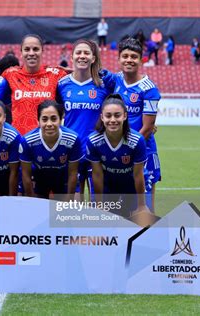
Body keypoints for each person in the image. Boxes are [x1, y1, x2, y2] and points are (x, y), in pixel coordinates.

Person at [110, 38, 162, 211]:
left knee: (145, 209)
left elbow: (147, 127)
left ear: (141, 60)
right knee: (122, 208)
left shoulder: (149, 89)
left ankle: (148, 236)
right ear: (119, 59)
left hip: (142, 152)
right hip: (119, 151)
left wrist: (128, 149)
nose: (129, 60)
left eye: (134, 56)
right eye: (125, 56)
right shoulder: (115, 80)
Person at [56, 39, 112, 196]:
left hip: (97, 150)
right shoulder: (62, 84)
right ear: (72, 56)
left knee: (98, 203)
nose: (82, 56)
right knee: (74, 203)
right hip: (71, 150)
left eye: (86, 53)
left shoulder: (103, 85)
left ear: (93, 58)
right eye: (78, 52)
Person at [86, 94, 149, 217]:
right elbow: (97, 174)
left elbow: (138, 175)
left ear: (125, 116)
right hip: (108, 185)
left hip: (131, 186)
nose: (113, 120)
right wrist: (99, 205)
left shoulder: (137, 140)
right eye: (108, 116)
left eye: (117, 115)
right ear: (102, 117)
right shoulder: (93, 141)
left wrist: (141, 205)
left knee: (135, 221)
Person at [2, 34, 67, 135]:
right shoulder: (10, 74)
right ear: (21, 52)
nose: (31, 53)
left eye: (36, 49)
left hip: (46, 141)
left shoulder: (56, 74)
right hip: (20, 141)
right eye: (27, 49)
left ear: (42, 51)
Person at [20, 100, 82, 200]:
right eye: (44, 119)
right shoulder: (27, 141)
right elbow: (25, 174)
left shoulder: (73, 139)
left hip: (63, 179)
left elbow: (73, 173)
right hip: (39, 179)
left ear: (61, 119)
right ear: (38, 121)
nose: (49, 124)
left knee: (73, 206)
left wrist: (69, 201)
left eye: (54, 119)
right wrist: (31, 202)